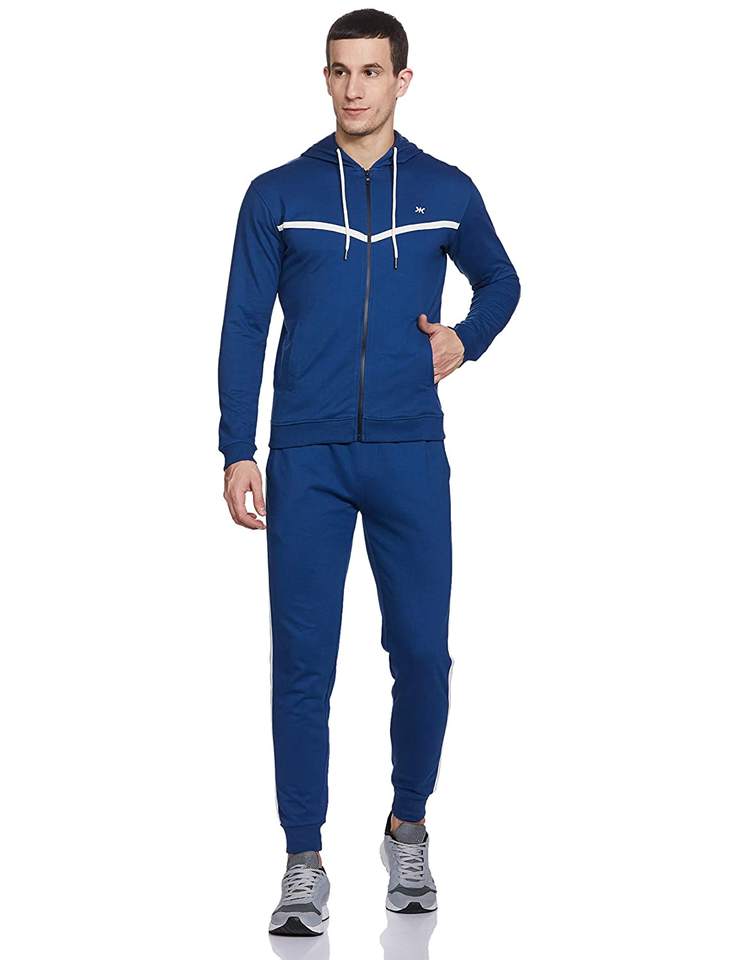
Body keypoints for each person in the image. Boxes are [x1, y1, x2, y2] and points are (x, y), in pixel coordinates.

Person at [218, 8, 521, 937]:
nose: (354, 88)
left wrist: (464, 339)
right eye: (340, 71)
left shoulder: (445, 189)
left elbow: (502, 279)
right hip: (305, 455)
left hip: (406, 451)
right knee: (302, 662)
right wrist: (237, 446)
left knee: (422, 653)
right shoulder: (276, 193)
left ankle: (407, 827)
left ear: (402, 80)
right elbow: (243, 323)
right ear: (325, 78)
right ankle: (302, 860)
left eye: (371, 71)